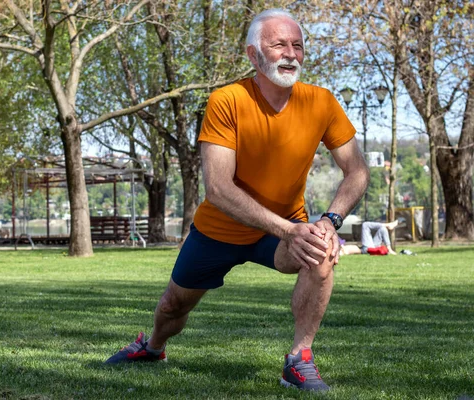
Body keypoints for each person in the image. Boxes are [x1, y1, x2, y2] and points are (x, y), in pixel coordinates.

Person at [105, 9, 369, 392]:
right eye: (279, 44)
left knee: (322, 248)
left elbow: (357, 171)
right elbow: (219, 188)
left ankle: (299, 358)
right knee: (172, 307)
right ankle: (153, 347)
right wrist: (289, 230)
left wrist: (329, 221)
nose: (290, 54)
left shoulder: (322, 102)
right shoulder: (227, 100)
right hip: (220, 229)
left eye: (297, 45)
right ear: (252, 55)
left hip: (283, 230)